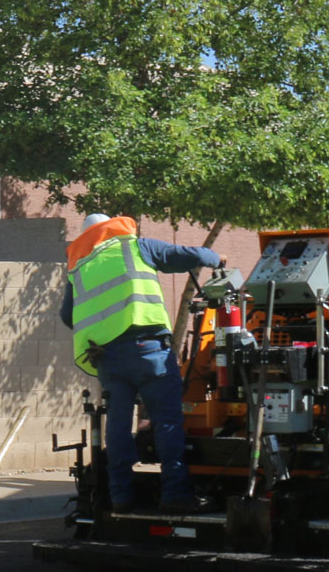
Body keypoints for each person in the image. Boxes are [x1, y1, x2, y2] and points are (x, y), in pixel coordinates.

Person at [59, 213, 225, 515]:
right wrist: (216, 257)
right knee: (167, 422)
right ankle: (175, 493)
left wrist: (105, 329)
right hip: (148, 351)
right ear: (111, 227)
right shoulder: (134, 246)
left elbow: (68, 316)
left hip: (108, 358)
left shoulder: (78, 269)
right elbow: (192, 256)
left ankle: (121, 496)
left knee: (118, 427)